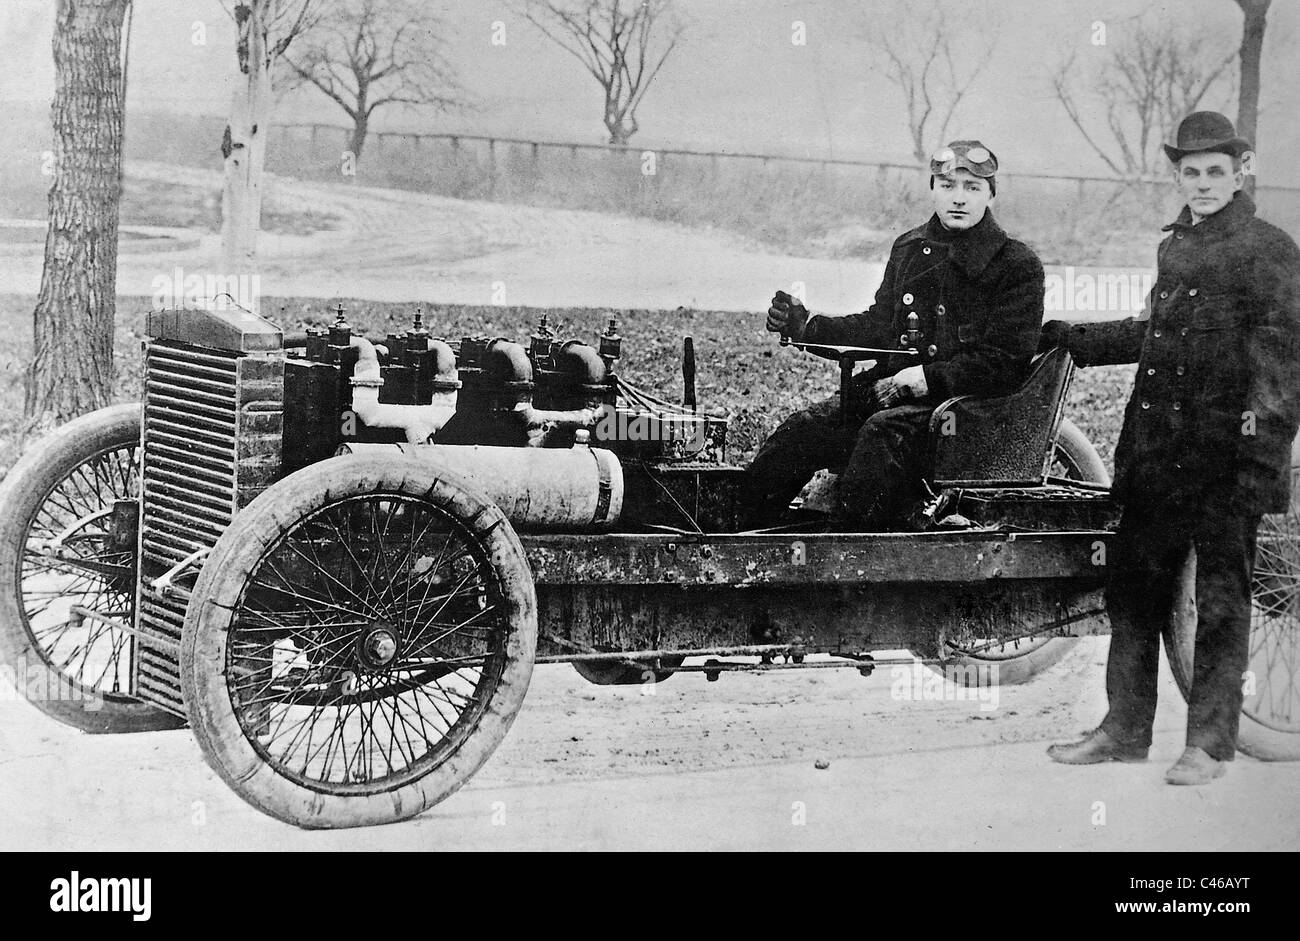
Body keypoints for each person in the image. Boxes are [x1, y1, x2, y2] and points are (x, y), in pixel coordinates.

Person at [1042, 111, 1300, 784]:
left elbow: (1280, 372)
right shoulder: (1178, 247)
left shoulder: (1270, 249)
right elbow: (1154, 334)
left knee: (1220, 602)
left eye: (1216, 171)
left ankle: (1209, 745)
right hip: (1158, 457)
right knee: (1133, 591)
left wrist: (1257, 462)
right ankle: (1125, 729)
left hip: (1225, 463)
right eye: (1192, 172)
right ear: (1178, 176)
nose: (1203, 183)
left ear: (1240, 173)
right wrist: (1072, 338)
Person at [744, 140, 1044, 529]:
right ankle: (738, 536)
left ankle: (846, 551)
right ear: (933, 189)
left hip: (965, 414)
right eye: (948, 185)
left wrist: (924, 379)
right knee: (804, 428)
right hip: (892, 399)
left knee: (881, 434)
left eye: (972, 187)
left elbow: (1004, 363)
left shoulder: (1016, 265)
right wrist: (808, 326)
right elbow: (879, 325)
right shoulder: (909, 248)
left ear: (990, 195)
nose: (959, 198)